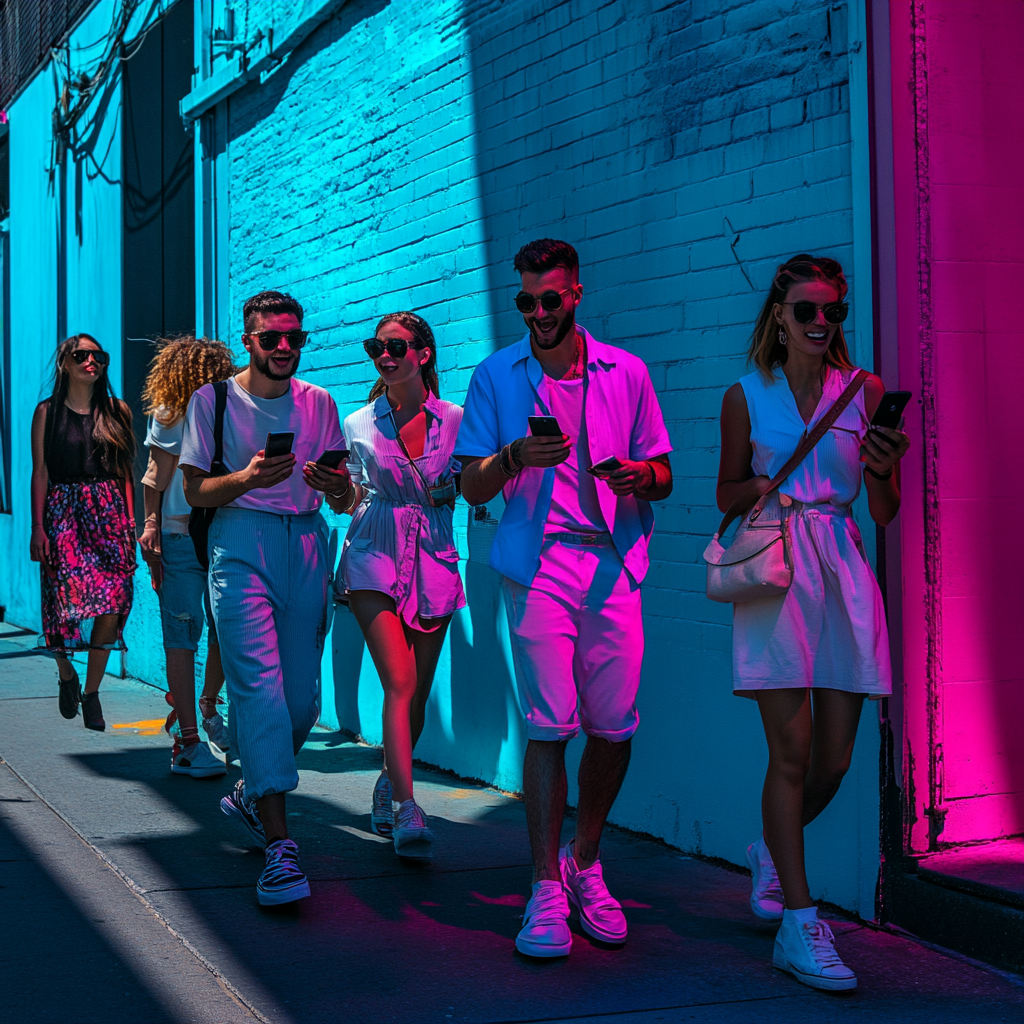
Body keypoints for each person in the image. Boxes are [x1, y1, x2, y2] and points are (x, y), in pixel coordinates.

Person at [456, 239, 673, 958]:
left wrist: (641, 476)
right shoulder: (496, 376)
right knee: (550, 725)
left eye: (551, 299)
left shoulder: (627, 371)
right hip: (539, 564)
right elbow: (472, 485)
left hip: (612, 563)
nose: (539, 313)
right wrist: (515, 455)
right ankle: (544, 886)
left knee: (613, 726)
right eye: (527, 301)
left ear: (576, 294)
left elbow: (666, 473)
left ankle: (586, 862)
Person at [715, 255, 909, 991]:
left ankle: (772, 848)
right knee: (788, 754)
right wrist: (768, 482)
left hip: (844, 568)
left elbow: (882, 512)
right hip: (774, 567)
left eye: (833, 313)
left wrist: (885, 467)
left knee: (834, 761)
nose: (822, 324)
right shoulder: (746, 395)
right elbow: (727, 492)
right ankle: (800, 924)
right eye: (807, 312)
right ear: (779, 316)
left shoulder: (864, 391)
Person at [180, 290, 346, 906]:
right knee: (257, 689)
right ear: (247, 340)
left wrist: (336, 488)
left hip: (305, 544)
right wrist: (247, 477)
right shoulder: (213, 401)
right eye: (270, 338)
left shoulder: (319, 403)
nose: (284, 348)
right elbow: (196, 492)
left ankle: (253, 792)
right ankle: (281, 851)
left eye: (294, 338)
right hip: (241, 541)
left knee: (300, 702)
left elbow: (344, 499)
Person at [328, 312, 464, 859]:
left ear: (423, 355)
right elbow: (350, 500)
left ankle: (390, 779)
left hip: (432, 554)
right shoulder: (358, 423)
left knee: (418, 695)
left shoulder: (457, 420)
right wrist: (334, 489)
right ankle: (410, 806)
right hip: (372, 552)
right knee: (400, 681)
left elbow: (474, 486)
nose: (384, 356)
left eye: (396, 347)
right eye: (376, 347)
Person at [139, 336, 236, 779]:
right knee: (195, 632)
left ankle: (199, 715)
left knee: (206, 630)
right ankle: (190, 740)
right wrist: (152, 526)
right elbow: (156, 477)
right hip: (187, 531)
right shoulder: (176, 413)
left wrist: (153, 525)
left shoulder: (227, 409)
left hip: (205, 530)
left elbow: (154, 478)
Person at [30, 334, 136, 732]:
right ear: (65, 364)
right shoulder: (47, 412)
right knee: (61, 604)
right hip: (62, 515)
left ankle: (91, 692)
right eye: (81, 355)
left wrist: (129, 524)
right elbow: (39, 472)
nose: (91, 361)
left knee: (113, 601)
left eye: (98, 356)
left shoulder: (116, 410)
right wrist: (37, 527)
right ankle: (66, 673)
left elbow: (125, 473)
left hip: (108, 514)